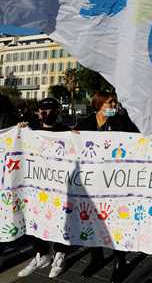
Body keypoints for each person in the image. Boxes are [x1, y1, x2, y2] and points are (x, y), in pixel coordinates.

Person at [74, 91, 138, 283]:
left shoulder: (121, 121)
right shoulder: (85, 123)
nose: (113, 106)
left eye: (114, 102)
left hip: (113, 183)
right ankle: (96, 257)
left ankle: (120, 261)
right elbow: (68, 140)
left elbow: (136, 139)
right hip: (92, 183)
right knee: (92, 220)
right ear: (99, 104)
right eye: (110, 103)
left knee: (115, 222)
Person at [17, 98, 70, 279]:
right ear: (38, 112)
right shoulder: (30, 130)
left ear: (57, 111)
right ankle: (42, 255)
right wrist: (20, 130)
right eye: (42, 110)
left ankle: (60, 255)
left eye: (50, 109)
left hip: (59, 186)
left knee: (61, 219)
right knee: (34, 217)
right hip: (37, 185)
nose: (45, 113)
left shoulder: (67, 132)